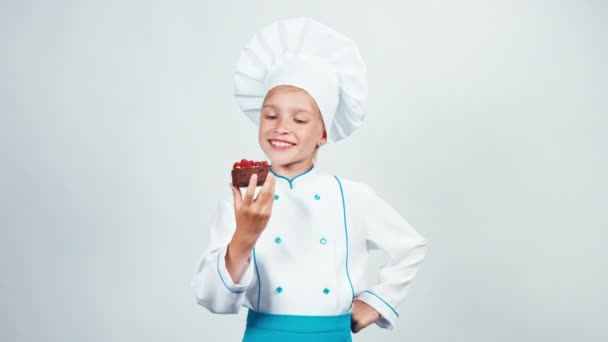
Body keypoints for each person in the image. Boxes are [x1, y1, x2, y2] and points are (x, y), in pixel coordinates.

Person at [191, 17, 429, 341]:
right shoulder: (241, 198)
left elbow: (411, 247)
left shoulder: (353, 197)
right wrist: (243, 237)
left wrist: (378, 302)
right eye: (271, 116)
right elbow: (212, 299)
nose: (281, 127)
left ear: (323, 134)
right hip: (265, 335)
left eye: (300, 119)